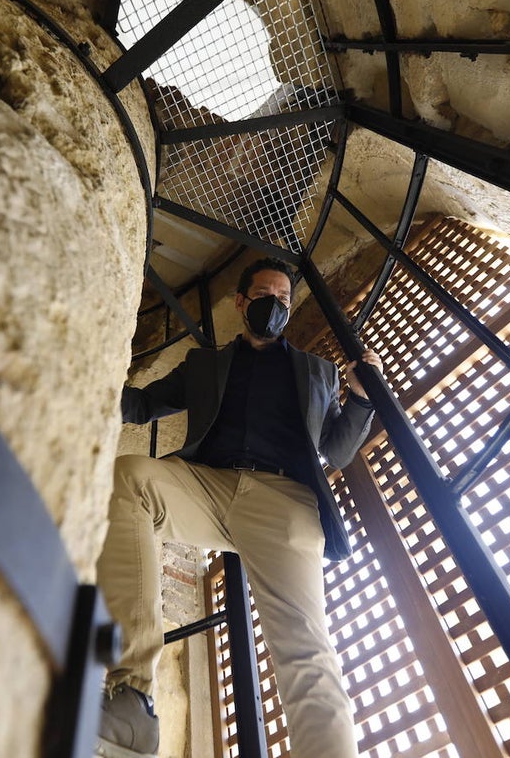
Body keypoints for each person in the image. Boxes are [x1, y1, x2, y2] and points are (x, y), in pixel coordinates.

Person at [96, 257, 382, 758]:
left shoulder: (318, 371)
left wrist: (360, 398)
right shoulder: (204, 365)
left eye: (284, 301)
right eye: (265, 296)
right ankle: (132, 701)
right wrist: (87, 380)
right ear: (241, 302)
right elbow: (141, 407)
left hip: (284, 502)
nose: (274, 306)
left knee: (303, 646)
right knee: (132, 476)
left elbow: (336, 451)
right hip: (208, 487)